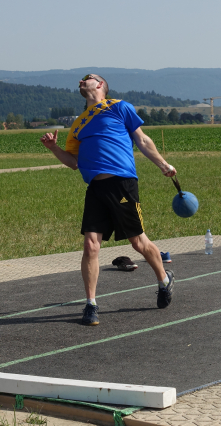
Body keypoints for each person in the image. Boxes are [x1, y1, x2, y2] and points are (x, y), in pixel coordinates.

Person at [40, 74, 177, 325]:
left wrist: (163, 164)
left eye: (88, 78)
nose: (82, 81)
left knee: (138, 242)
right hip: (95, 187)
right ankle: (91, 304)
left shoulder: (119, 107)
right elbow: (73, 162)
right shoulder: (78, 124)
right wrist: (54, 149)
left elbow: (142, 139)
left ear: (100, 84)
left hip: (122, 183)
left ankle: (163, 279)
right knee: (91, 245)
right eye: (81, 79)